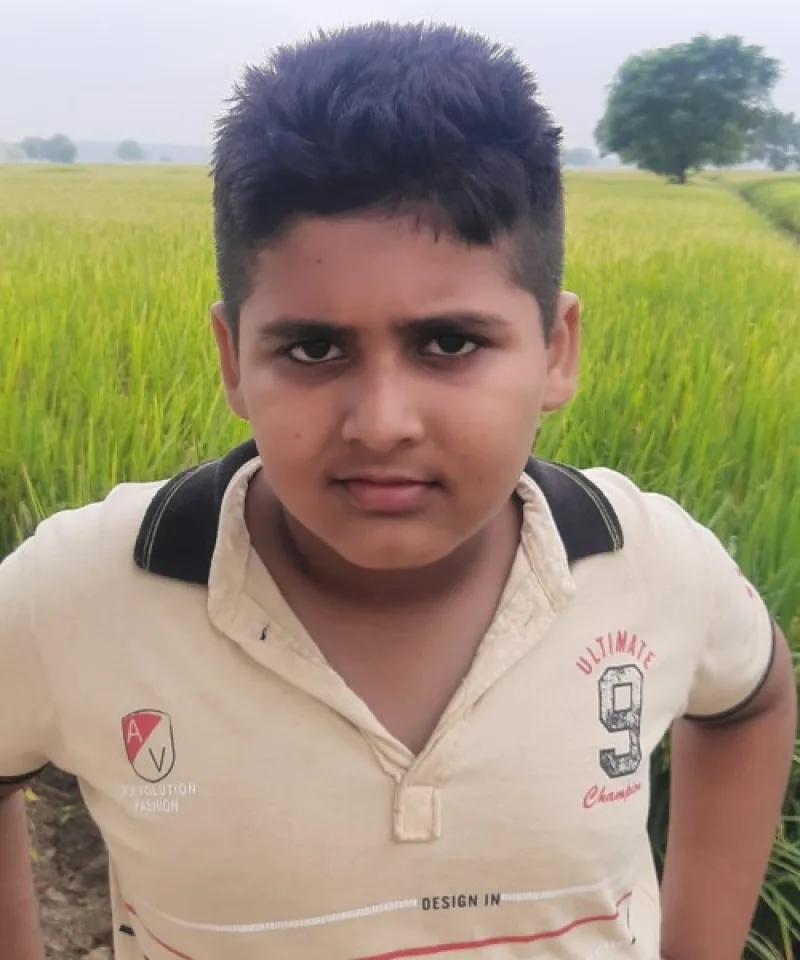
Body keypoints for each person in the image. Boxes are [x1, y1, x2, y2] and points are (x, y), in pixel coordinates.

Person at [0, 22, 795, 960]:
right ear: (232, 358)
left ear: (555, 349)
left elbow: (749, 699)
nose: (381, 423)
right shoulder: (85, 592)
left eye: (449, 343)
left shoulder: (648, 563)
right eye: (313, 348)